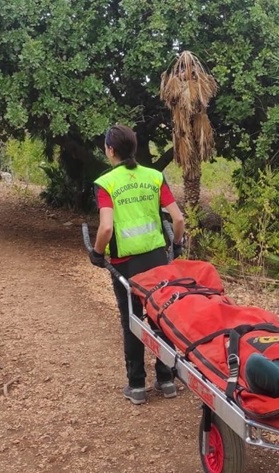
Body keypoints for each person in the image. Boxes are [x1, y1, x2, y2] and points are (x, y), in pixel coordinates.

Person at [89, 124, 186, 406]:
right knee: (160, 317)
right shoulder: (155, 177)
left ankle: (137, 385)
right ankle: (166, 379)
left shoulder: (106, 183)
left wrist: (97, 253)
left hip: (125, 265)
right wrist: (176, 245)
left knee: (131, 321)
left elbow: (106, 228)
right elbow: (178, 219)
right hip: (157, 259)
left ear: (110, 150)